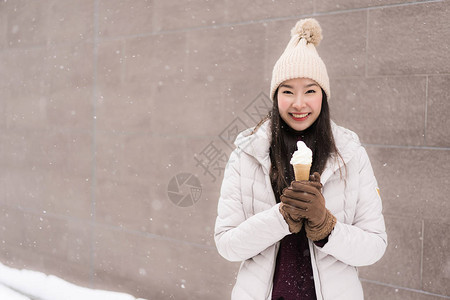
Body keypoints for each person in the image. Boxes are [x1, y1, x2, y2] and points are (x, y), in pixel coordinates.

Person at [214, 18, 387, 300]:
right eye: (287, 91)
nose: (298, 103)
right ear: (275, 96)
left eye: (310, 90)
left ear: (323, 95)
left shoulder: (350, 154)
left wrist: (326, 227)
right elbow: (227, 244)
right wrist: (280, 218)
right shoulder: (247, 154)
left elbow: (374, 246)